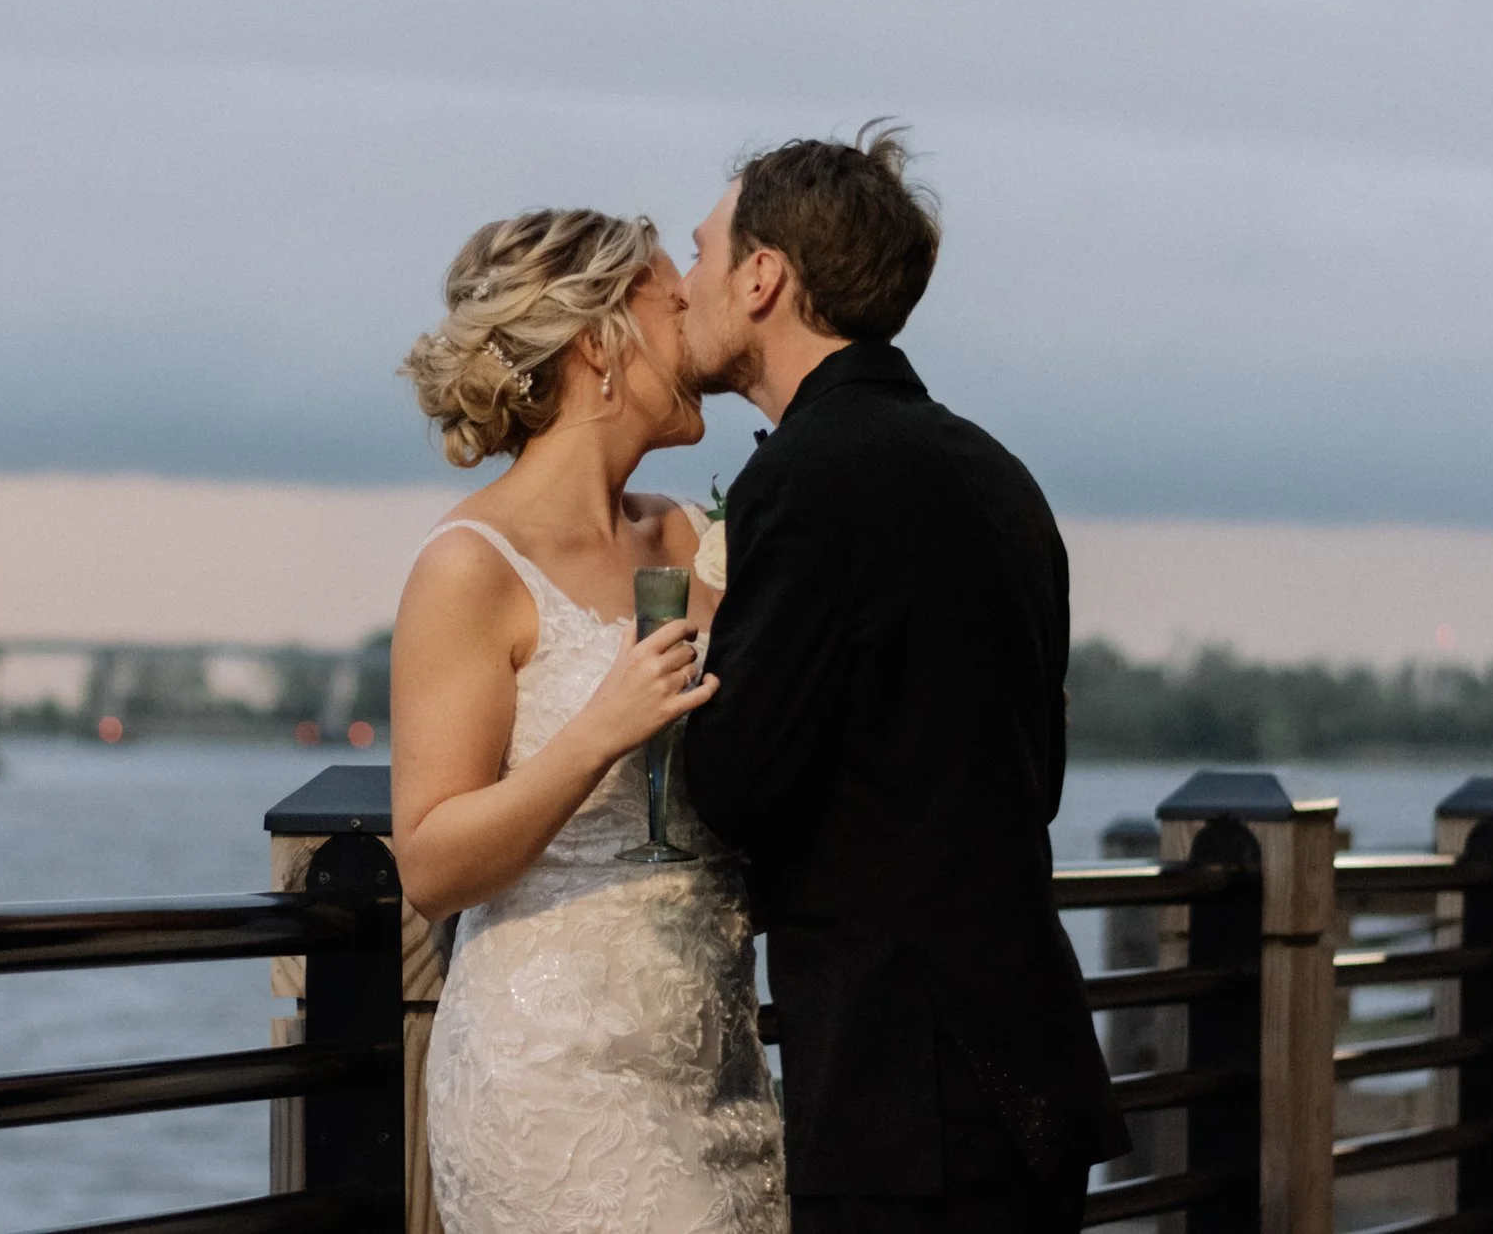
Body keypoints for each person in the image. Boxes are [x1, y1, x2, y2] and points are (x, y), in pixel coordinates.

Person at [680, 125, 1131, 1233]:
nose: (683, 287)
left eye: (699, 255)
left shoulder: (802, 479)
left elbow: (731, 781)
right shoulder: (995, 474)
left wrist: (698, 647)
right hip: (1024, 1058)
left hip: (903, 1091)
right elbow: (1032, 765)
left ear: (761, 277)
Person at [389, 208, 785, 1234]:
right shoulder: (468, 567)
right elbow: (431, 863)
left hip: (721, 1073)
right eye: (670, 297)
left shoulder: (692, 538)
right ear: (598, 342)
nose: (696, 316)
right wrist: (596, 729)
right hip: (554, 1085)